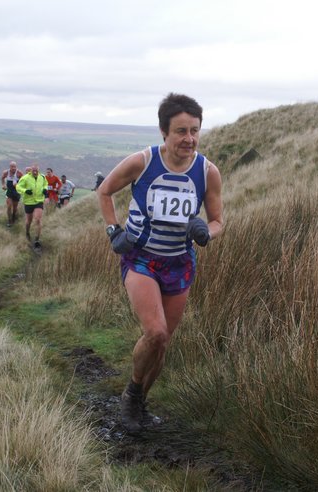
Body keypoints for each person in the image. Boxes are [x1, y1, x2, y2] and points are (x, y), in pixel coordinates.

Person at [97, 93, 224, 433]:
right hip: (141, 259)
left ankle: (139, 400)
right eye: (181, 131)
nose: (189, 139)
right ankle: (131, 395)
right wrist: (113, 231)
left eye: (195, 130)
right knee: (155, 332)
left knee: (163, 343)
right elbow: (105, 191)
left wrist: (206, 232)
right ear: (164, 132)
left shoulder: (207, 171)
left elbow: (218, 221)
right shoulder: (142, 162)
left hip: (179, 263)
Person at [16, 164, 49, 249]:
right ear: (31, 170)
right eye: (33, 170)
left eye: (36, 170)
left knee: (38, 219)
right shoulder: (25, 178)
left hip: (39, 201)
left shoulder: (42, 177)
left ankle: (37, 240)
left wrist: (45, 189)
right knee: (29, 221)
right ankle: (27, 232)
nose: (35, 172)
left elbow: (45, 184)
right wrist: (25, 191)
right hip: (28, 202)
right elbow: (18, 187)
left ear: (38, 170)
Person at [0, 161, 23, 226]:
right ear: (9, 167)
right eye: (12, 167)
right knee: (9, 206)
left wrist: (17, 185)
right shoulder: (6, 172)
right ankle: (9, 220)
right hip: (9, 191)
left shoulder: (19, 173)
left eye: (14, 166)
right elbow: (2, 178)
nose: (13, 168)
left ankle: (14, 218)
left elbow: (23, 181)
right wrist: (3, 185)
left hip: (16, 192)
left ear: (16, 167)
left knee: (15, 208)